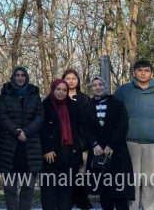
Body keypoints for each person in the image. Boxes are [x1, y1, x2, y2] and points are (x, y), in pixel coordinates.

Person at [114, 60, 154, 210]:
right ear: (134, 72)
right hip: (129, 143)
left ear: (151, 73)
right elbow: (114, 117)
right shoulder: (123, 91)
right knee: (132, 182)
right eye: (139, 70)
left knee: (151, 182)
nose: (143, 73)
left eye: (146, 70)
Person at [0, 66, 44, 210]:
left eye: (23, 75)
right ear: (13, 77)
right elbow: (2, 116)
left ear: (26, 77)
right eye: (17, 75)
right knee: (10, 188)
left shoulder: (34, 94)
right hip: (9, 148)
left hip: (30, 147)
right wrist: (16, 131)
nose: (20, 78)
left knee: (28, 188)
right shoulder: (6, 94)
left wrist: (26, 132)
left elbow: (40, 116)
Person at [84, 77, 134, 210]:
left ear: (105, 86)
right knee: (104, 192)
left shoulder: (117, 103)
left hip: (117, 151)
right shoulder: (88, 106)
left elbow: (122, 125)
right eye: (94, 85)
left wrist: (111, 145)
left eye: (100, 84)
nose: (97, 87)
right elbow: (85, 128)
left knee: (119, 190)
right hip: (98, 153)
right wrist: (94, 144)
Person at [40, 79, 83, 210]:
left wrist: (79, 153)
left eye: (64, 90)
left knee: (67, 193)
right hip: (51, 155)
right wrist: (47, 149)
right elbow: (42, 129)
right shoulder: (45, 105)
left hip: (69, 154)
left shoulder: (73, 106)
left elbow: (77, 131)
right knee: (49, 192)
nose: (61, 92)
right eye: (58, 89)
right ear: (53, 90)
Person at [60, 69, 91, 210]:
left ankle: (82, 200)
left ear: (78, 81)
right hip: (64, 143)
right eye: (68, 78)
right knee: (67, 175)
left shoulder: (84, 98)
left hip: (81, 142)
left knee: (81, 174)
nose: (71, 81)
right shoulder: (59, 97)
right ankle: (68, 201)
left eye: (74, 78)